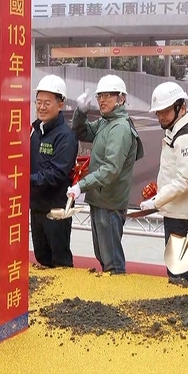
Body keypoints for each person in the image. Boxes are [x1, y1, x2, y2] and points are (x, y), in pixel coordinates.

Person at [68, 74, 142, 275]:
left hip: (109, 202)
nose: (102, 100)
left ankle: (116, 292)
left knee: (111, 261)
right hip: (102, 199)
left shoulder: (119, 128)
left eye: (108, 95)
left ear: (121, 99)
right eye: (100, 96)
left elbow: (110, 170)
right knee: (104, 255)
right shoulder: (106, 122)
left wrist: (81, 185)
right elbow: (82, 132)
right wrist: (81, 112)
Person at [139, 82, 188, 283]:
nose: (161, 116)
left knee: (179, 273)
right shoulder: (178, 131)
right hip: (177, 210)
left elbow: (185, 181)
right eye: (158, 112)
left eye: (166, 111)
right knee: (177, 269)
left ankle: (187, 301)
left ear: (181, 107)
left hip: (181, 214)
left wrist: (156, 201)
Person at [30, 75, 77, 268]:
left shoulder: (66, 137)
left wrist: (24, 180)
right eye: (38, 102)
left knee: (60, 262)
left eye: (47, 103)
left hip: (56, 210)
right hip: (37, 207)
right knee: (42, 258)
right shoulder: (35, 131)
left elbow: (57, 174)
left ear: (60, 105)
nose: (41, 107)